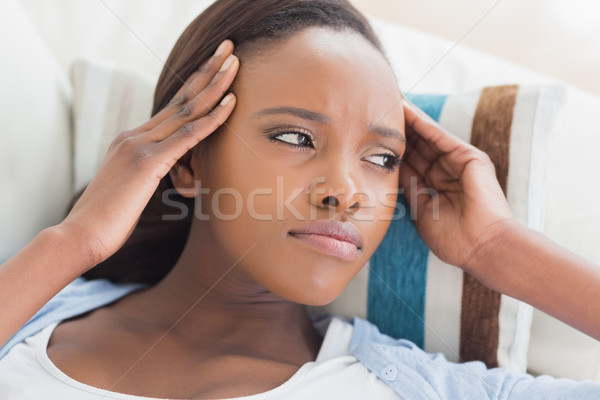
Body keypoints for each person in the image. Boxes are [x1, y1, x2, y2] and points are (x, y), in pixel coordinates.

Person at [1, 0, 600, 398]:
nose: (345, 193)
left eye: (381, 157)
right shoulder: (29, 315)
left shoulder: (420, 386)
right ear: (187, 160)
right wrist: (74, 242)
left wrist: (500, 247)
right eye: (295, 137)